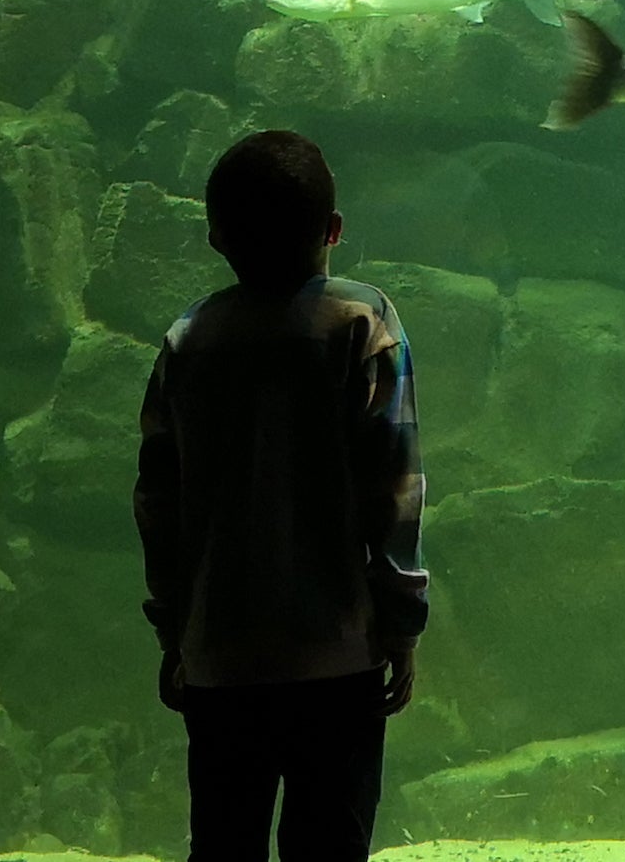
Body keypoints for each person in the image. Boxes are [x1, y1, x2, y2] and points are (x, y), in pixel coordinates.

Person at [133, 130, 428, 862]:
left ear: (215, 237)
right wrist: (402, 622)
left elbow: (157, 502)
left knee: (224, 842)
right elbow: (394, 484)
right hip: (339, 656)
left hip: (219, 657)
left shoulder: (188, 341)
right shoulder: (364, 324)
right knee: (329, 842)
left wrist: (174, 628)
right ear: (333, 231)